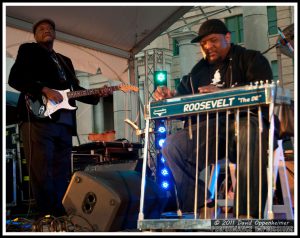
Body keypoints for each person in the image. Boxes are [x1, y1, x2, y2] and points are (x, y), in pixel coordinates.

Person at [153, 19, 274, 218]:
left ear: (227, 37)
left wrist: (223, 92)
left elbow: (264, 92)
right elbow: (182, 104)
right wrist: (169, 97)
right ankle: (202, 203)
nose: (208, 47)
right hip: (213, 132)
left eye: (213, 40)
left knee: (247, 130)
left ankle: (248, 214)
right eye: (203, 44)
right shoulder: (196, 73)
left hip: (248, 126)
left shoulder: (251, 59)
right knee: (171, 145)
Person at [8, 18, 100, 218]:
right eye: (41, 28)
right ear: (35, 35)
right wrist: (44, 89)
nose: (46, 30)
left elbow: (73, 90)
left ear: (55, 34)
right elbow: (15, 79)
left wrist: (97, 94)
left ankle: (60, 213)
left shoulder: (65, 61)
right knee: (41, 169)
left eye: (50, 28)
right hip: (38, 117)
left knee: (61, 170)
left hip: (64, 122)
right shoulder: (29, 51)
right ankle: (46, 215)